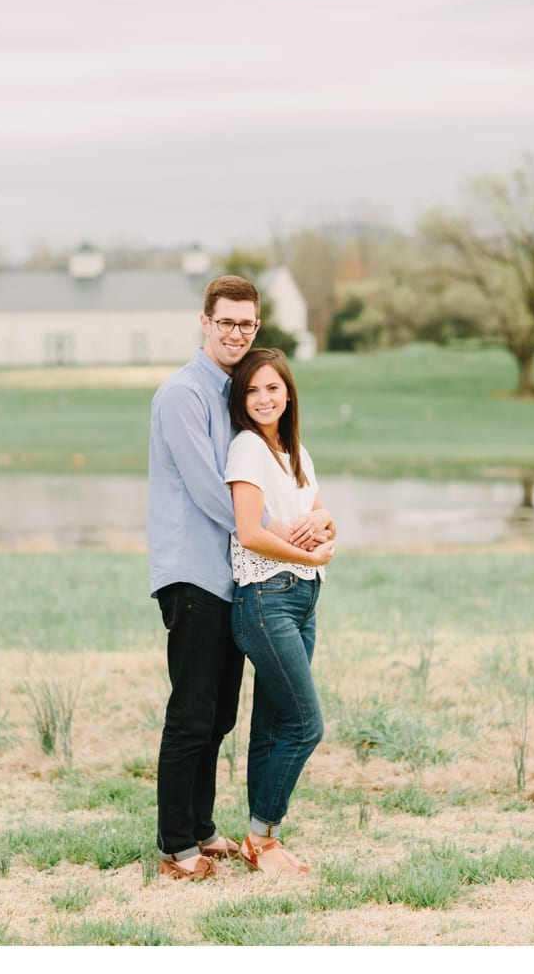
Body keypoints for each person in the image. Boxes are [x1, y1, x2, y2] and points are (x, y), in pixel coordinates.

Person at [147, 276, 330, 881]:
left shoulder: (233, 395)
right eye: (225, 322)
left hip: (232, 582)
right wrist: (287, 535)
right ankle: (177, 846)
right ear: (205, 321)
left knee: (220, 714)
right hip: (193, 576)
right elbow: (208, 490)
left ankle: (201, 827)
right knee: (193, 712)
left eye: (246, 324)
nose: (235, 333)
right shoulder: (182, 395)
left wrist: (303, 525)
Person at [224, 348, 335, 876]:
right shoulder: (246, 448)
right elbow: (249, 532)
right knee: (305, 724)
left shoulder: (294, 452)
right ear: (242, 402)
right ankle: (261, 836)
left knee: (271, 725)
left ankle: (261, 842)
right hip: (265, 598)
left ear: (288, 391)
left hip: (302, 596)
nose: (264, 399)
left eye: (272, 388)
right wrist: (309, 553)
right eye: (252, 391)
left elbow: (317, 515)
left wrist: (326, 530)